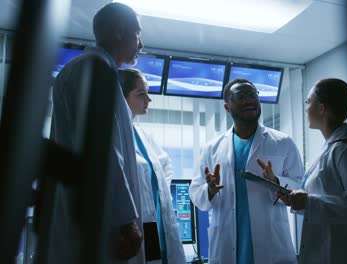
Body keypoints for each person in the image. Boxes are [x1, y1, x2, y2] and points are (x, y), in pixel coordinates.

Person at [49, 3, 145, 263]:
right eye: (137, 34)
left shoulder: (93, 71)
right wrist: (127, 222)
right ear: (118, 31)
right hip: (99, 223)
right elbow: (103, 151)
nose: (141, 43)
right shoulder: (92, 71)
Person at [189, 78, 304, 264]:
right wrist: (209, 190)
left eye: (253, 95)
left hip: (272, 246)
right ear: (227, 107)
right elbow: (195, 192)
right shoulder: (212, 148)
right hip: (227, 247)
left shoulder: (283, 143)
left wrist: (277, 181)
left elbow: (300, 186)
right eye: (241, 96)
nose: (249, 100)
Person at [267, 78, 347, 264]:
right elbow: (325, 203)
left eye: (308, 102)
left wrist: (309, 202)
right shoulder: (331, 147)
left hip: (343, 255)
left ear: (322, 108)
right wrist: (297, 201)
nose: (306, 107)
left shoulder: (346, 150)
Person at [119, 68, 186, 264]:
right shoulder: (113, 135)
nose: (148, 99)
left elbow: (165, 164)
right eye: (141, 94)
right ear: (121, 97)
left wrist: (155, 191)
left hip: (157, 224)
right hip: (134, 227)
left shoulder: (142, 136)